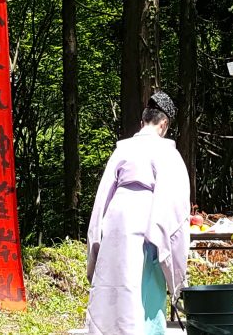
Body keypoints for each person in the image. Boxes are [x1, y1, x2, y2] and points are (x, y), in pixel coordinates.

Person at [85, 91, 190, 335]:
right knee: (145, 293)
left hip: (115, 220)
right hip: (148, 223)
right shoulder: (168, 153)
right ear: (164, 124)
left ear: (143, 121)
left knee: (116, 288)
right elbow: (174, 205)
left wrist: (96, 239)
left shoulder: (122, 150)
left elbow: (102, 197)